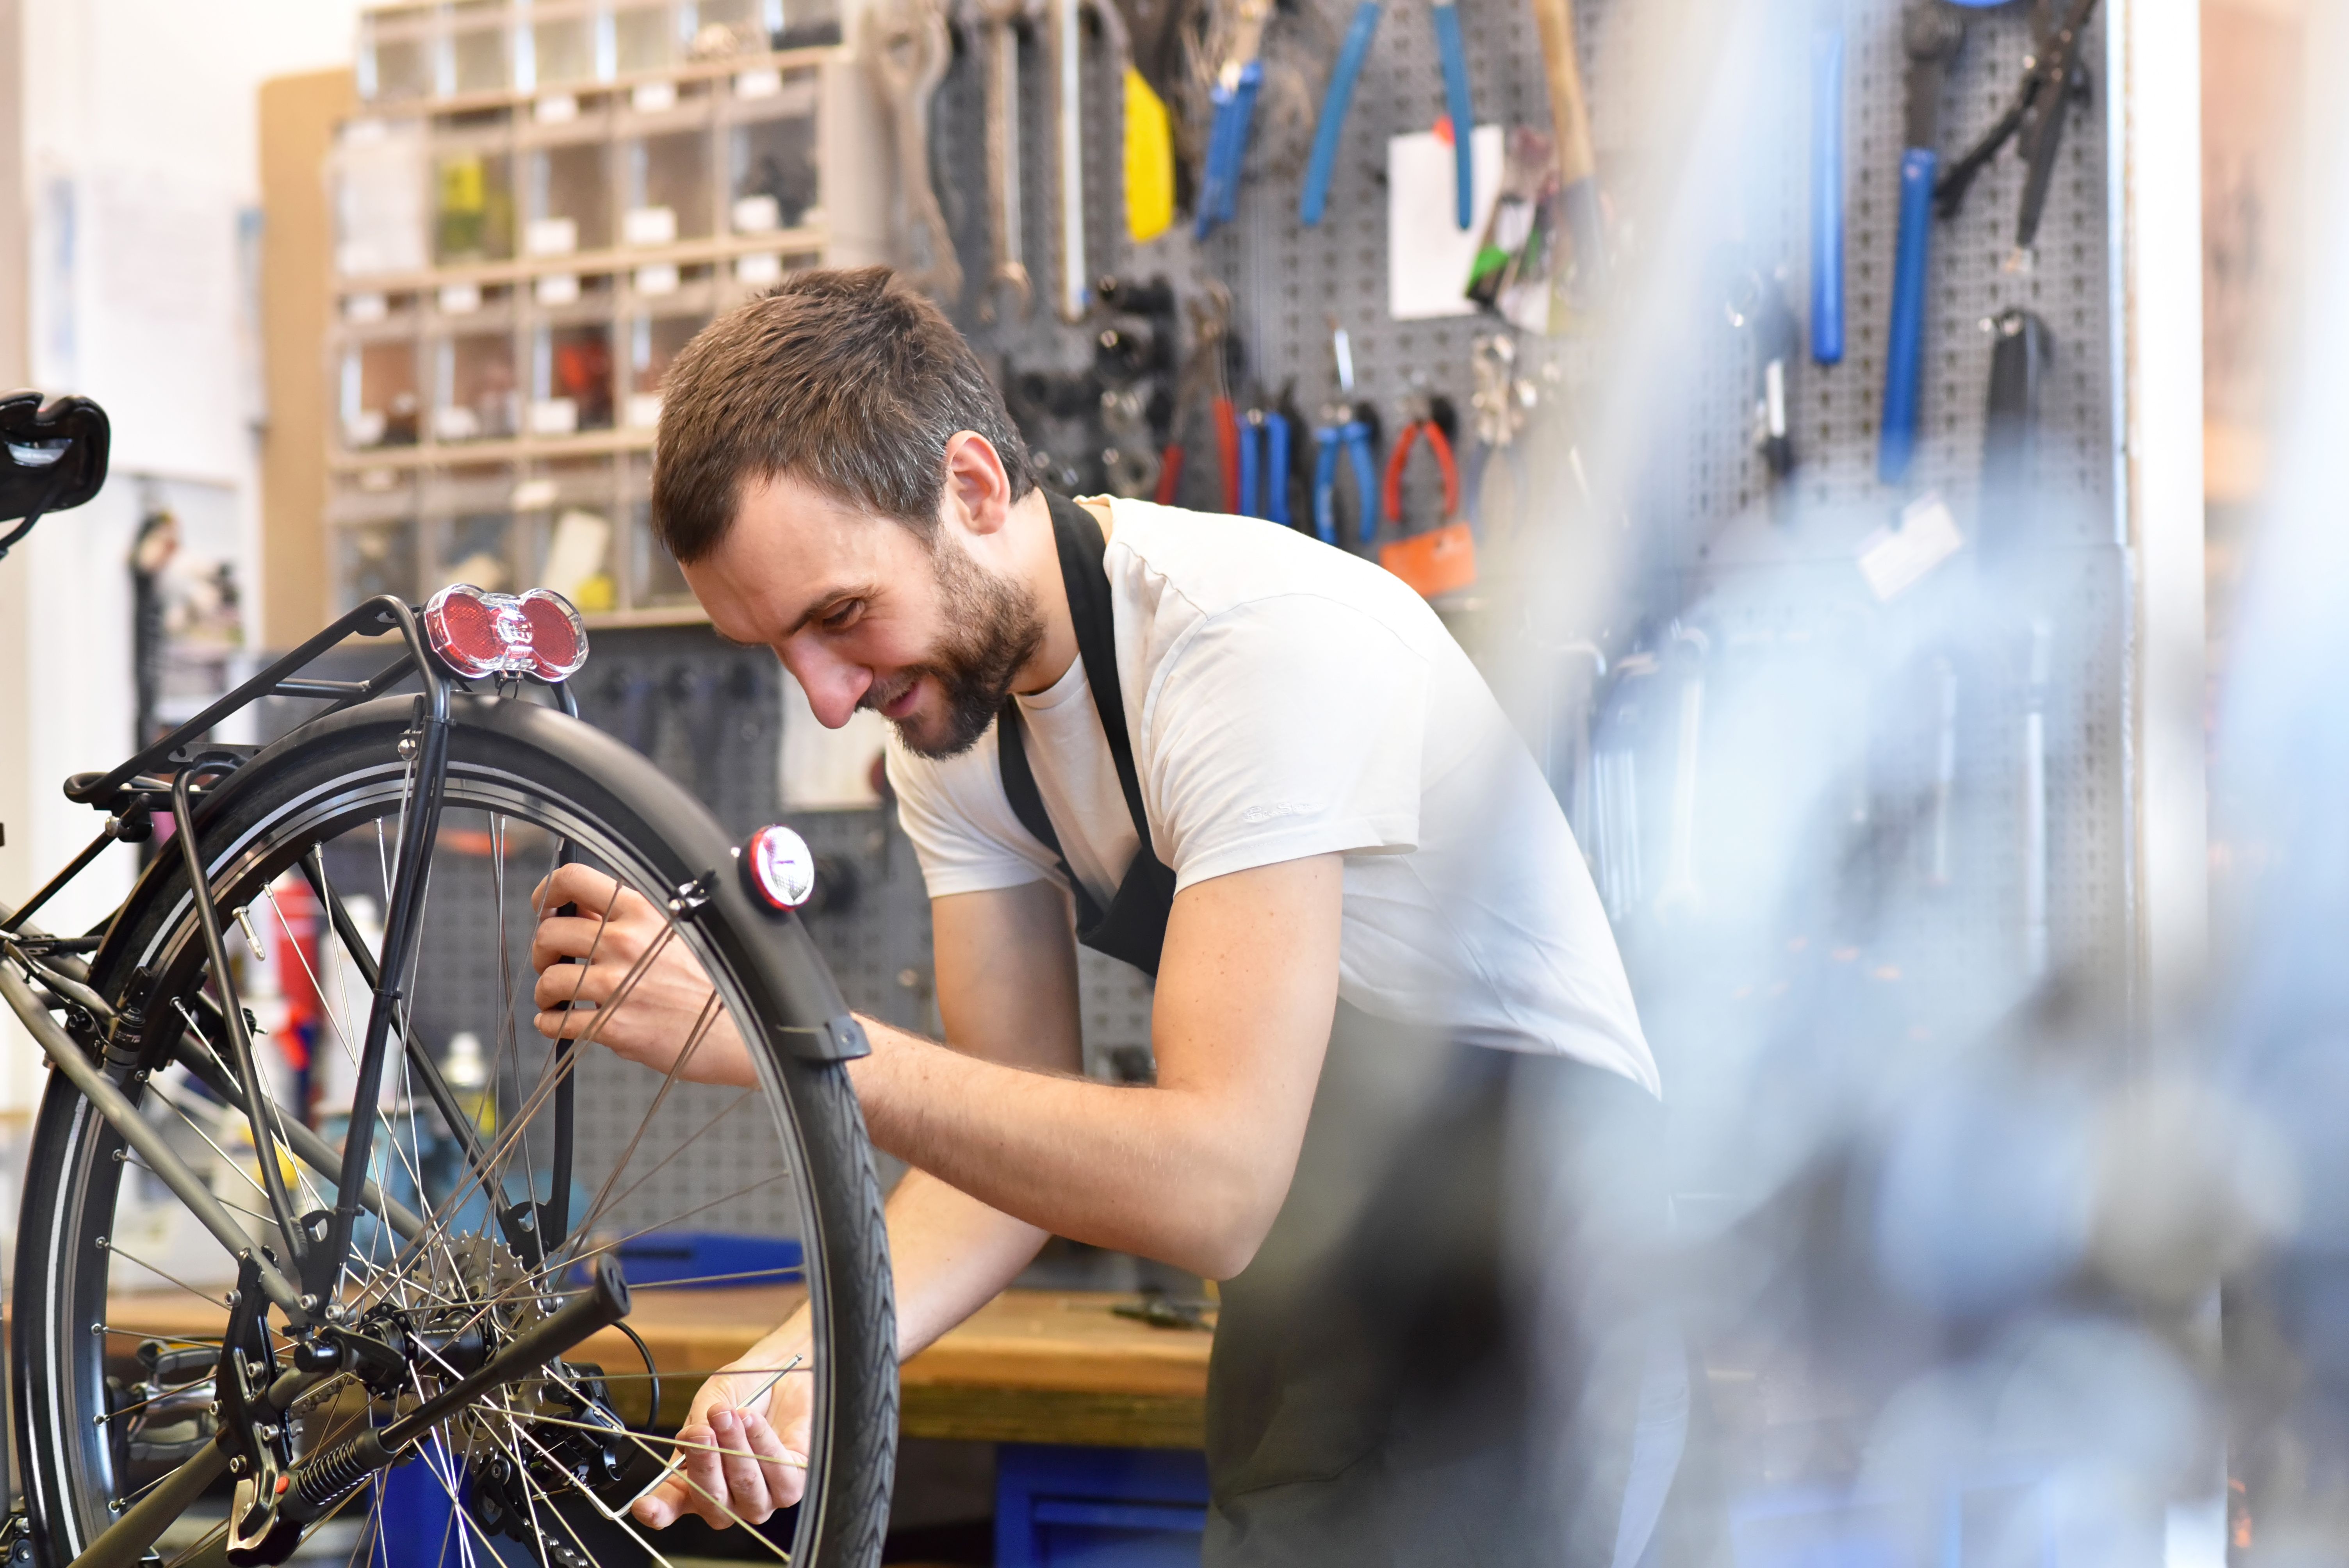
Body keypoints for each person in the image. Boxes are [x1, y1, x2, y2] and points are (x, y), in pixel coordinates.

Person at [528, 267, 1664, 1565]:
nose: (831, 700)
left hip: (1537, 1283)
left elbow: (1215, 1185)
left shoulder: (1247, 646)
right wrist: (800, 1366)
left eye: (841, 618)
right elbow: (1009, 1158)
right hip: (1317, 1296)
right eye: (782, 652)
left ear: (970, 487)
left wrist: (797, 1036)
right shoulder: (949, 737)